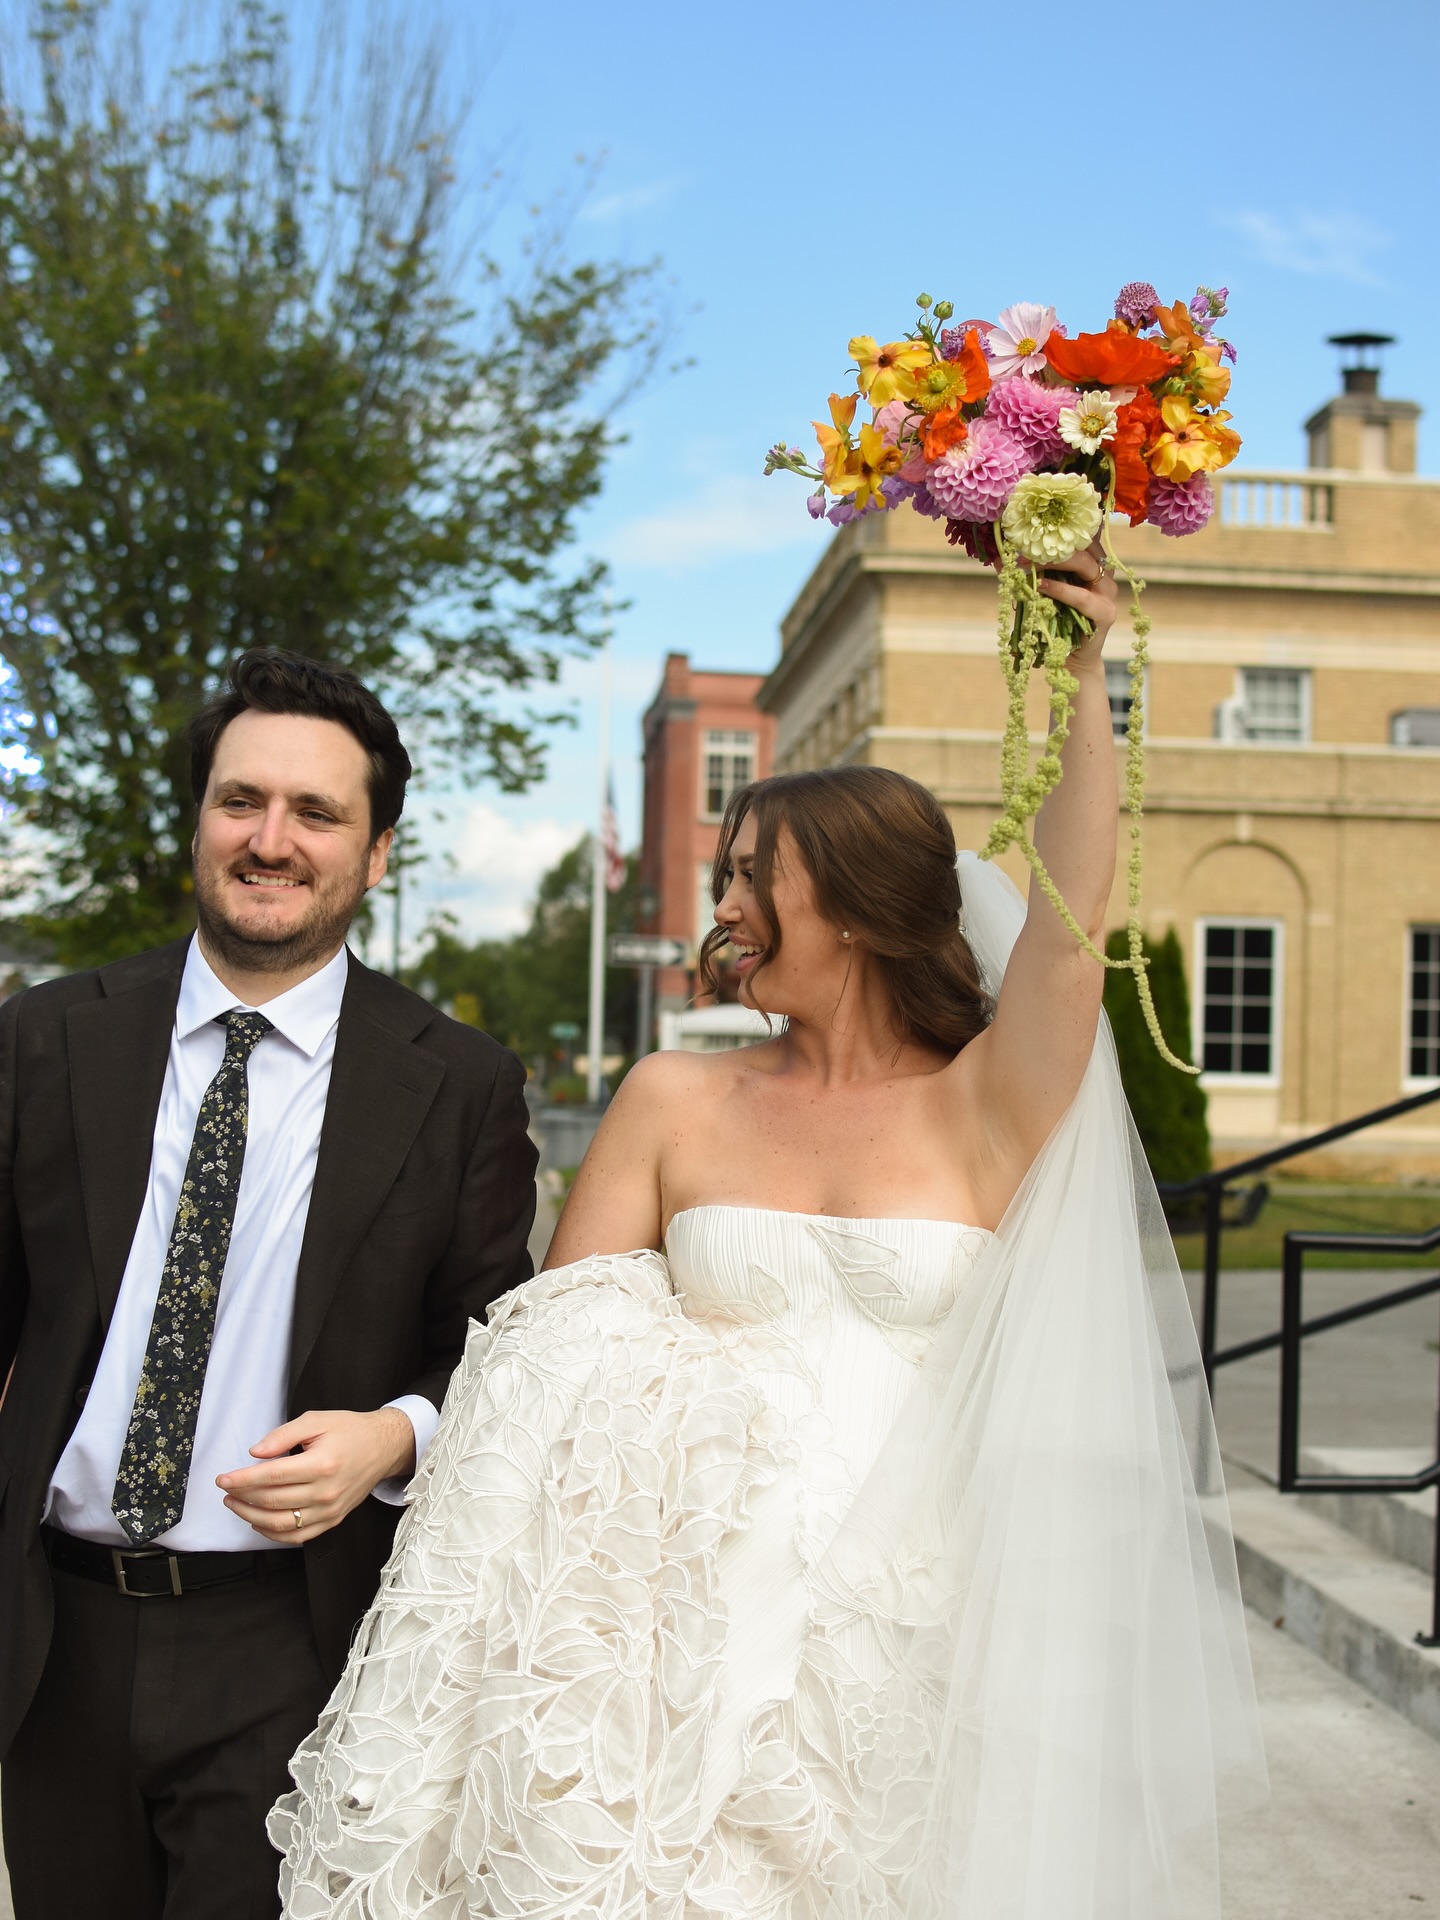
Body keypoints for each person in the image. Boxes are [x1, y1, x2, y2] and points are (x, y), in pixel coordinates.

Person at [270, 550, 1264, 1917]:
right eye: (726, 871)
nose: (722, 905)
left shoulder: (986, 1109)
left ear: (853, 908)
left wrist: (1090, 680)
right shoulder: (675, 1095)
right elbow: (548, 1365)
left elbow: (1073, 931)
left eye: (753, 877)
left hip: (909, 1629)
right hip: (661, 1632)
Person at [0, 650, 537, 1920]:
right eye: (242, 801)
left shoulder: (457, 1083)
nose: (271, 840)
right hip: (50, 1636)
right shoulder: (45, 1037)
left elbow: (498, 1342)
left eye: (317, 812)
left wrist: (391, 1437)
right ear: (199, 821)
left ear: (379, 851)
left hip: (291, 1645)